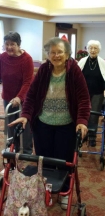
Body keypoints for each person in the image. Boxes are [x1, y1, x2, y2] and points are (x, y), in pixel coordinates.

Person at [8, 36, 91, 209]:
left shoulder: (74, 71)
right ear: (48, 55)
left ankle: (64, 193)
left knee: (64, 160)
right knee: (44, 161)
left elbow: (84, 98)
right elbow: (31, 96)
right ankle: (46, 190)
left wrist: (82, 121)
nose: (56, 55)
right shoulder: (45, 70)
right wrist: (26, 115)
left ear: (67, 54)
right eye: (52, 52)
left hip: (66, 125)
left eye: (60, 52)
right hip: (43, 124)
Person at [0, 32, 34, 154]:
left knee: (24, 124)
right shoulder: (2, 57)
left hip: (25, 98)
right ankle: (13, 147)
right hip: (8, 96)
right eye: (7, 44)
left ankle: (27, 151)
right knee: (11, 124)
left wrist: (19, 97)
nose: (9, 47)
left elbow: (27, 82)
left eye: (12, 44)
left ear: (18, 45)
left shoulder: (26, 59)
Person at [78, 40, 105, 147]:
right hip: (83, 94)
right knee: (83, 114)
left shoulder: (102, 62)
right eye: (90, 48)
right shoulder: (82, 61)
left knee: (93, 116)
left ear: (99, 50)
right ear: (87, 49)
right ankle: (84, 135)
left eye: (95, 48)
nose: (92, 50)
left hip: (97, 93)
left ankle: (92, 137)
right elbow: (77, 78)